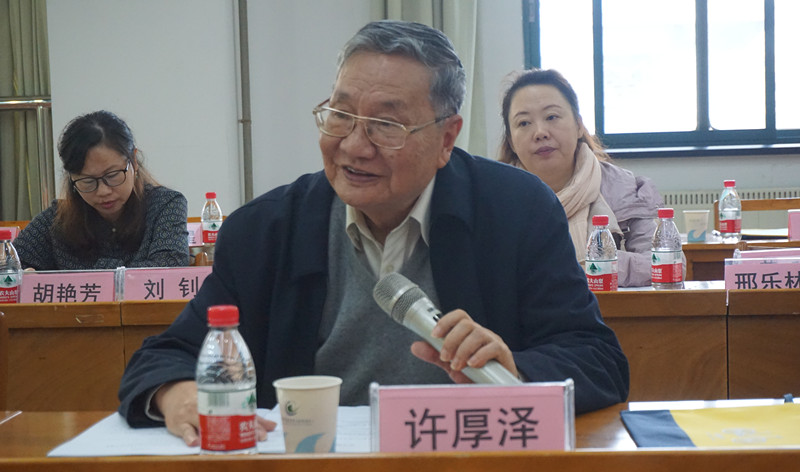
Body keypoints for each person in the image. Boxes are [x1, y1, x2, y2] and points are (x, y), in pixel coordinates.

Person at [118, 20, 629, 447]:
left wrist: (514, 369)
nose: (354, 146)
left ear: (447, 137)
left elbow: (598, 361)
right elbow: (163, 357)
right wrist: (178, 393)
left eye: (387, 125)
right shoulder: (265, 230)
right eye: (340, 116)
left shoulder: (517, 210)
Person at [498, 68, 664, 287]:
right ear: (511, 141)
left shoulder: (623, 188)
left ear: (578, 126)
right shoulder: (496, 198)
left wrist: (593, 264)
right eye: (524, 123)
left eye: (551, 117)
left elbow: (665, 264)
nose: (540, 132)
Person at [13, 110, 189, 270]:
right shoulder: (56, 220)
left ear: (134, 161)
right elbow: (9, 265)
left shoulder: (164, 205)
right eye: (87, 181)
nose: (103, 191)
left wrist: (97, 273)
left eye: (112, 175)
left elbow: (170, 267)